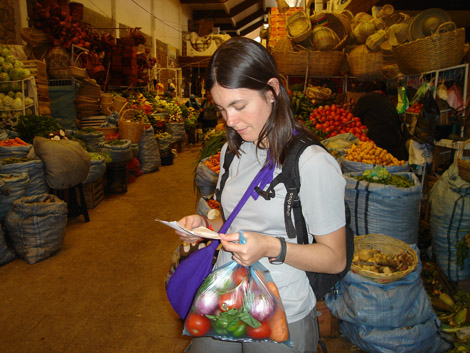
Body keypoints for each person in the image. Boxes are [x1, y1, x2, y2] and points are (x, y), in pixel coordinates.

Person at [175, 37, 347, 353]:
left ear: (271, 91)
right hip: (226, 298)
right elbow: (231, 223)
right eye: (221, 108)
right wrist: (203, 227)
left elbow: (335, 259)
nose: (230, 120)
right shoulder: (232, 151)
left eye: (239, 106)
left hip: (284, 308)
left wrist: (269, 246)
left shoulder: (311, 163)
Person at [352, 88, 409, 161]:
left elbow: (353, 118)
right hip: (394, 141)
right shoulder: (388, 101)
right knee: (388, 162)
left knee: (377, 160)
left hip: (377, 140)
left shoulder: (365, 99)